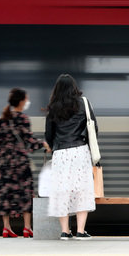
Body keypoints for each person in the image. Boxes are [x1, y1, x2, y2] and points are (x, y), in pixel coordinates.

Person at [0, 88, 47, 238]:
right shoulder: (23, 118)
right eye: (26, 99)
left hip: (5, 163)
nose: (27, 102)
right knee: (26, 192)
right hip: (20, 162)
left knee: (5, 194)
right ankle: (27, 228)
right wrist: (43, 144)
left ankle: (6, 228)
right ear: (21, 101)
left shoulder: (3, 119)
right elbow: (29, 140)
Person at [45, 74, 97, 240]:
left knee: (62, 191)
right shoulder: (84, 103)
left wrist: (55, 146)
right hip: (80, 151)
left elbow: (48, 134)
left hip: (60, 153)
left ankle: (65, 231)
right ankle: (81, 231)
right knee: (82, 190)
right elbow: (93, 128)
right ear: (74, 87)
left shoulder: (53, 107)